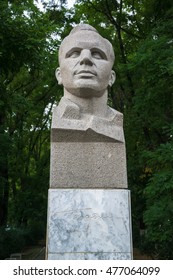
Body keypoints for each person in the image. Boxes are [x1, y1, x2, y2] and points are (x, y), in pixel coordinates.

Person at [53, 24, 124, 142]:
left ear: (111, 77)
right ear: (59, 75)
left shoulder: (116, 121)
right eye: (74, 53)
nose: (86, 58)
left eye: (97, 54)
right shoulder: (58, 118)